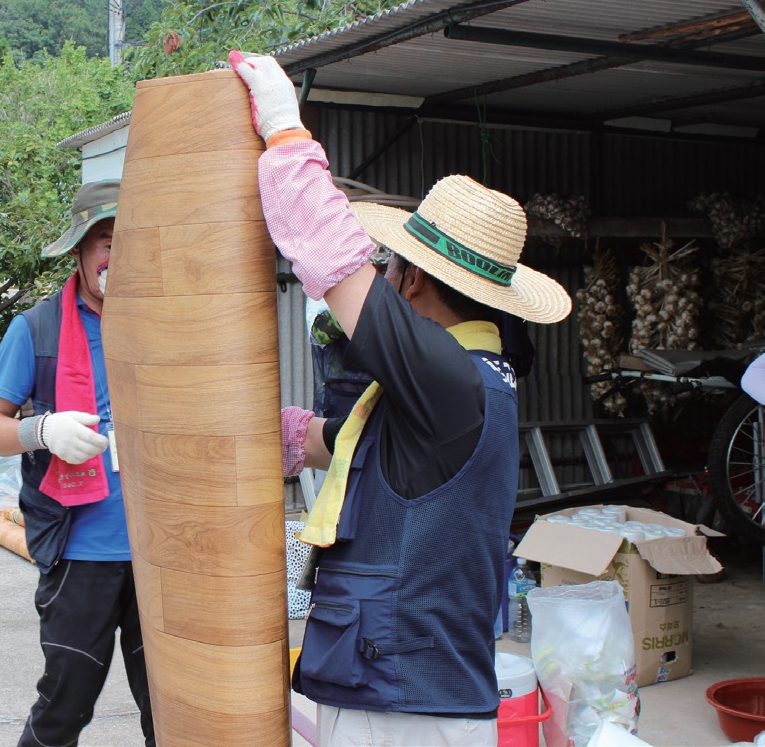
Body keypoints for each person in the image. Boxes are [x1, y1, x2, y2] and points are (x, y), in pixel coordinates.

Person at [230, 51, 572, 746]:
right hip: (409, 681)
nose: (378, 278)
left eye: (387, 267)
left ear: (412, 281)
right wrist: (285, 436)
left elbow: (327, 255)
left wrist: (285, 130)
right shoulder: (474, 380)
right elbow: (356, 447)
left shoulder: (448, 377)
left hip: (401, 696)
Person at [0, 180, 156, 747]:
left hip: (162, 554)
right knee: (64, 708)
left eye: (128, 240)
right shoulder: (36, 328)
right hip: (80, 552)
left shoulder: (164, 322)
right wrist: (41, 430)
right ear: (79, 251)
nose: (115, 254)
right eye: (104, 240)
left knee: (173, 712)